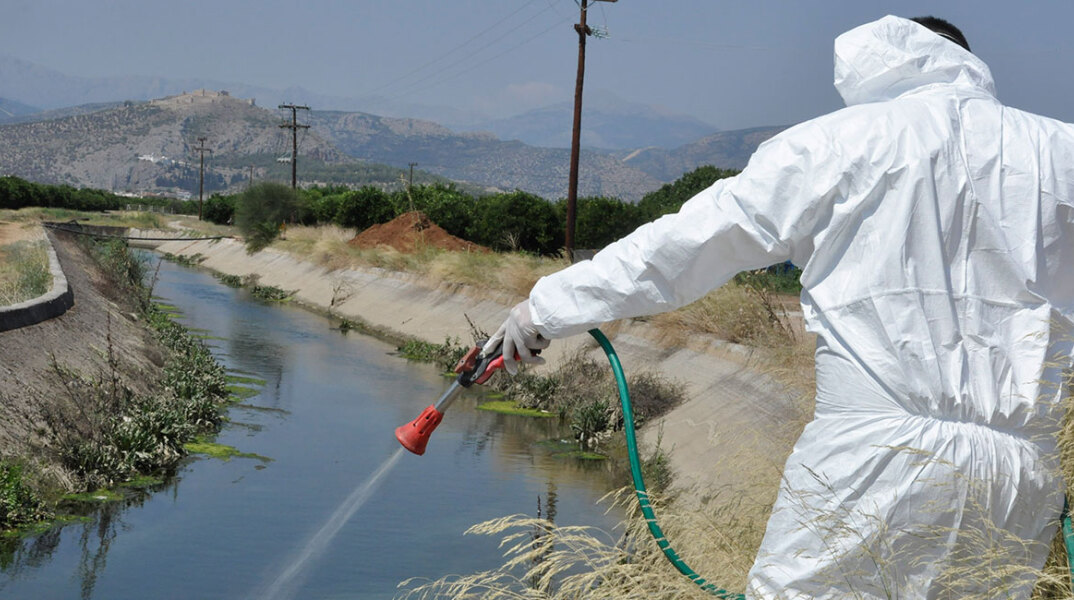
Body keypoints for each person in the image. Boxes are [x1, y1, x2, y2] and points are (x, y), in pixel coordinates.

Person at [484, 15, 1074, 599]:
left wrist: (546, 307)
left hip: (871, 457)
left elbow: (686, 246)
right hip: (1021, 474)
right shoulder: (1060, 152)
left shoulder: (843, 140)